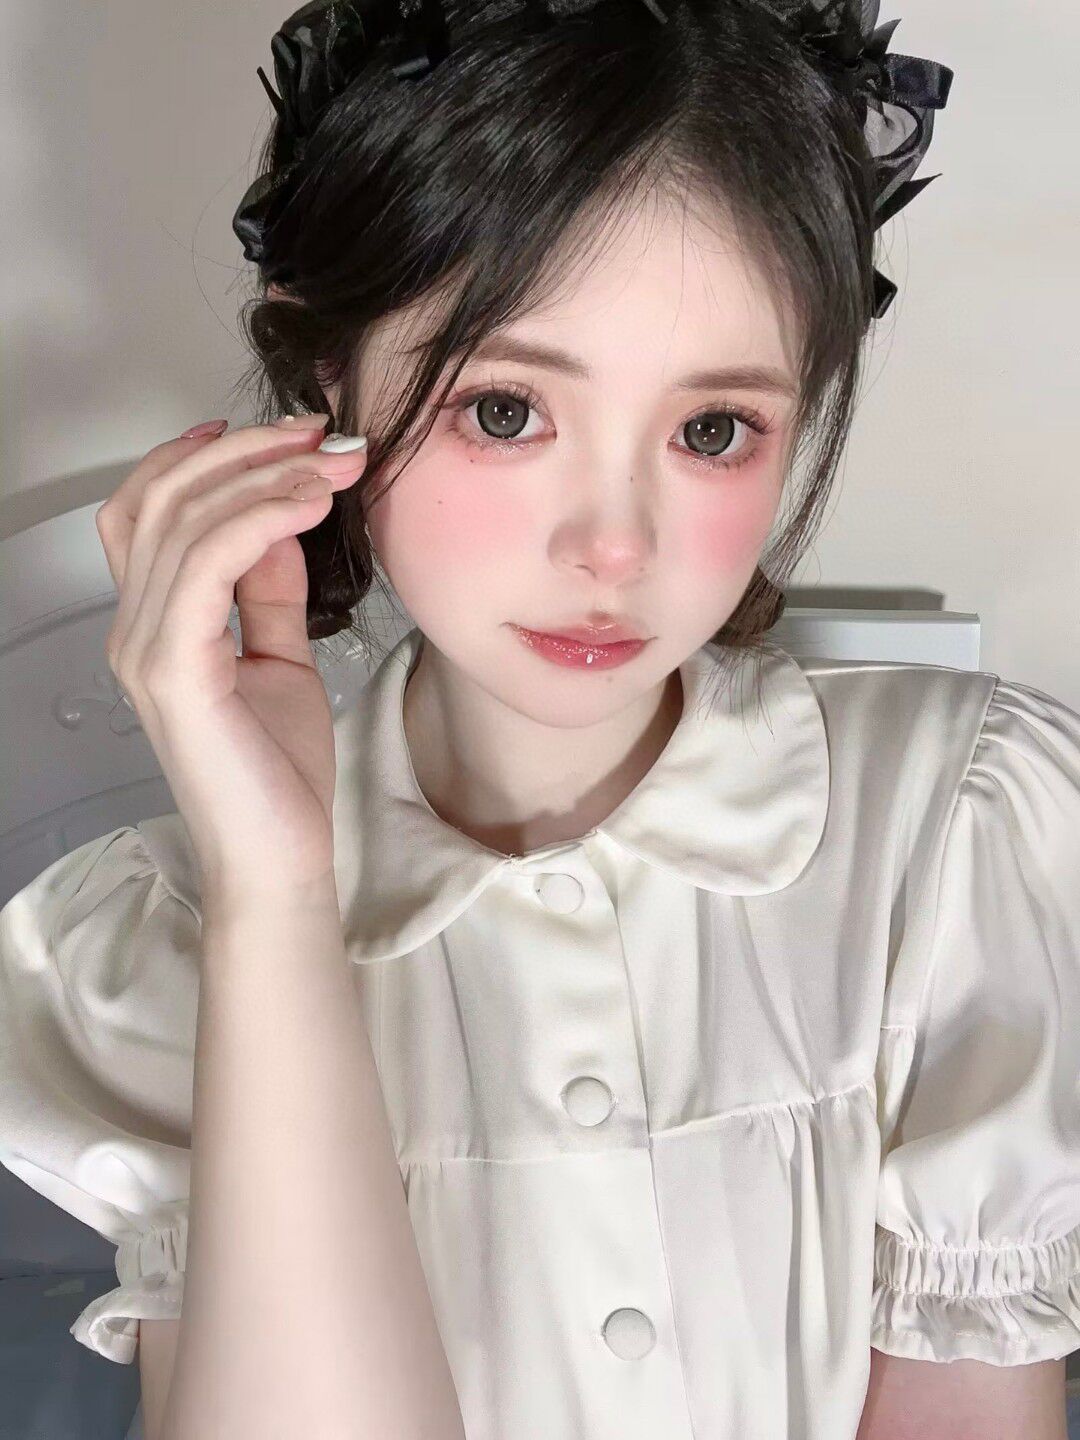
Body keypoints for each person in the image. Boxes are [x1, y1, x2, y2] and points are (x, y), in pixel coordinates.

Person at [1, 0, 1078, 1435]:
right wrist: (277, 902)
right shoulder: (168, 952)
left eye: (712, 430)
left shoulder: (959, 832)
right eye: (506, 411)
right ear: (327, 380)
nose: (614, 547)